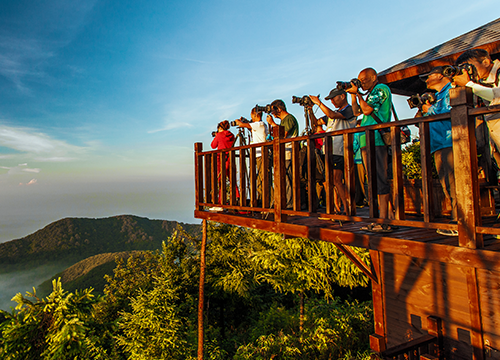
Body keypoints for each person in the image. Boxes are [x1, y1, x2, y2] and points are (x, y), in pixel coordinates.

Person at [346, 68, 393, 231]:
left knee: (379, 178)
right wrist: (353, 95)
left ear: (374, 77)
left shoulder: (381, 89)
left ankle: (384, 220)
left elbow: (367, 110)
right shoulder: (370, 93)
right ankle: (381, 219)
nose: (362, 83)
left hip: (377, 139)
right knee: (373, 179)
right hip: (367, 139)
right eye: (360, 80)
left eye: (364, 80)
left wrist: (358, 93)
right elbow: (356, 111)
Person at [416, 66, 457, 236]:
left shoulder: (451, 90)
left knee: (455, 181)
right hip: (438, 144)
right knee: (446, 183)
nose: (426, 79)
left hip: (450, 141)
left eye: (429, 76)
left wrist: (429, 110)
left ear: (440, 75)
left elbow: (452, 113)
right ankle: (456, 218)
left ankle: (460, 221)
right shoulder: (437, 96)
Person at [310, 88, 357, 214]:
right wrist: (310, 110)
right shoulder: (334, 112)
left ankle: (348, 209)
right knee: (329, 181)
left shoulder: (350, 110)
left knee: (337, 180)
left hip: (339, 150)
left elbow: (332, 115)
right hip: (329, 150)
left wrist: (318, 103)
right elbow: (316, 122)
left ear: (342, 96)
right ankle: (334, 209)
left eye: (333, 98)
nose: (332, 101)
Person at [453, 49, 500, 155]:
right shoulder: (482, 82)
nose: (467, 72)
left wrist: (469, 84)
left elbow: (497, 96)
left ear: (486, 62)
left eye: (469, 67)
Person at [266, 99, 299, 209]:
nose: (272, 113)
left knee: (287, 180)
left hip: (289, 153)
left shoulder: (289, 119)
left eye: (273, 111)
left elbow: (282, 135)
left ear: (279, 109)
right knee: (283, 179)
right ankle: (285, 203)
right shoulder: (284, 120)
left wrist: (272, 124)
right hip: (284, 153)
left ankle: (289, 205)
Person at [234, 107, 270, 205]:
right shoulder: (261, 125)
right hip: (260, 154)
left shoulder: (259, 124)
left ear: (255, 115)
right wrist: (246, 123)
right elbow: (251, 128)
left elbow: (242, 125)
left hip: (260, 155)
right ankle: (263, 202)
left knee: (263, 179)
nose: (252, 118)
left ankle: (267, 203)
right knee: (261, 179)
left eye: (252, 116)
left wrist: (238, 122)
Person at [210, 120, 239, 207]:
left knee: (221, 181)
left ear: (220, 128)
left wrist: (216, 136)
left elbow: (213, 145)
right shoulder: (232, 135)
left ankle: (221, 200)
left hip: (221, 159)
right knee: (232, 180)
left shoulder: (219, 135)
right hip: (231, 159)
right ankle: (237, 197)